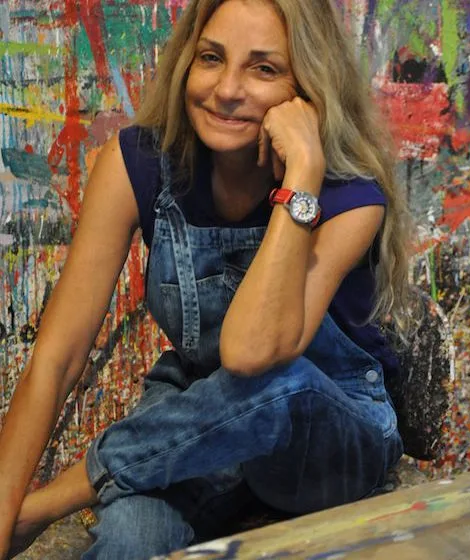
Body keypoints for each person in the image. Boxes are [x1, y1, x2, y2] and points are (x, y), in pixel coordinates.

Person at [0, 0, 413, 558]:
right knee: (132, 535)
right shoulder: (138, 164)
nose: (226, 89)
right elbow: (56, 358)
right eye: (211, 58)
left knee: (279, 383)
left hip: (328, 436)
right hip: (196, 424)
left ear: (307, 88)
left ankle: (60, 498)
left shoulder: (349, 197)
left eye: (264, 68)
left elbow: (250, 355)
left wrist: (302, 175)